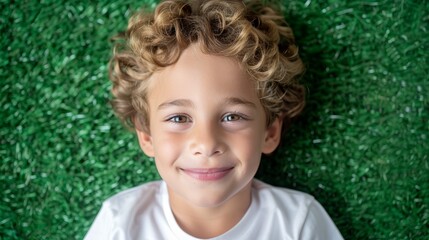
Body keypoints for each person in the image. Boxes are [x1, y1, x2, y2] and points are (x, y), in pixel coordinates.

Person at [85, 0, 344, 239]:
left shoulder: (298, 223)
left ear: (270, 132)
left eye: (232, 116)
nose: (206, 143)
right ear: (146, 135)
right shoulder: (121, 222)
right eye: (178, 118)